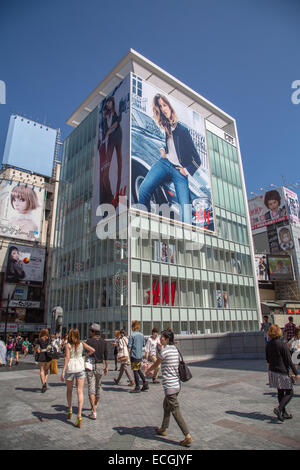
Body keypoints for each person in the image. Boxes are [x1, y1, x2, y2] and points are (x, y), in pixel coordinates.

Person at [138, 93, 201, 225]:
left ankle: (186, 239)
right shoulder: (165, 127)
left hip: (179, 171)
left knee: (186, 209)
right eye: (160, 107)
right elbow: (169, 146)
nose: (163, 109)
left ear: (170, 107)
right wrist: (163, 150)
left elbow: (197, 159)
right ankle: (145, 222)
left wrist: (186, 170)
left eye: (164, 105)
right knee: (143, 189)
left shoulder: (182, 130)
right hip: (165, 163)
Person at [146, 330, 193, 447]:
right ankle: (163, 428)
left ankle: (187, 436)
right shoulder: (175, 350)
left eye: (162, 337)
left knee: (175, 411)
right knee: (166, 406)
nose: (160, 339)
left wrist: (148, 370)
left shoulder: (165, 351)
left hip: (170, 386)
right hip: (177, 385)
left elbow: (157, 363)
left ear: (167, 339)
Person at [61, 329, 95, 428]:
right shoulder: (82, 344)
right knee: (80, 391)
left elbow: (67, 358)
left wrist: (63, 371)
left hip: (71, 368)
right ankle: (79, 415)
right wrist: (84, 356)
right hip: (80, 368)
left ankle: (70, 408)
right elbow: (93, 350)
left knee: (69, 390)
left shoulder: (68, 345)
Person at [266, 324, 298, 421]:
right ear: (279, 332)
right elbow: (289, 360)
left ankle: (283, 413)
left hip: (272, 371)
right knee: (289, 392)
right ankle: (279, 409)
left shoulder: (268, 344)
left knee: (280, 391)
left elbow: (267, 359)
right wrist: (296, 373)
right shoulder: (282, 344)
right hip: (281, 371)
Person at [99, 96, 123, 207]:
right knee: (105, 173)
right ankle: (110, 196)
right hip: (109, 141)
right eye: (107, 103)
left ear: (112, 103)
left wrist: (109, 131)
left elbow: (118, 122)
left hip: (117, 137)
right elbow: (103, 132)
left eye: (110, 102)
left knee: (120, 167)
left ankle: (117, 195)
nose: (108, 104)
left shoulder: (116, 113)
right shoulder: (105, 118)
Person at [85, 324, 109, 420]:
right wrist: (106, 367)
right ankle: (95, 405)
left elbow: (86, 354)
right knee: (98, 387)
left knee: (91, 387)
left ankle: (93, 410)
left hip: (90, 365)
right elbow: (106, 355)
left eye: (90, 330)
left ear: (94, 331)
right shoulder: (103, 342)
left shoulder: (89, 341)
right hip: (100, 365)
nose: (89, 332)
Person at [128, 321, 149, 393]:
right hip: (140, 355)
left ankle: (137, 387)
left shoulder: (132, 335)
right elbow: (143, 345)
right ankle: (145, 382)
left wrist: (128, 355)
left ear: (133, 327)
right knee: (139, 370)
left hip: (134, 355)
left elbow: (129, 346)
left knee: (135, 371)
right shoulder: (142, 335)